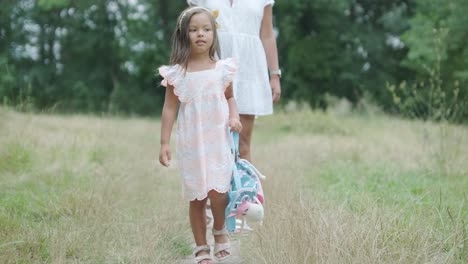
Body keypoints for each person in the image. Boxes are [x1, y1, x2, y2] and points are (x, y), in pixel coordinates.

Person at [158, 6, 242, 264]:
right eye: (193, 30)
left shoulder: (222, 69)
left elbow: (230, 98)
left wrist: (234, 116)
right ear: (184, 35)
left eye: (206, 29)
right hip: (192, 143)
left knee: (219, 194)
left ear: (214, 34)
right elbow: (170, 108)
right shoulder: (177, 74)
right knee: (197, 196)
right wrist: (164, 142)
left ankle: (219, 230)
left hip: (217, 140)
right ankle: (201, 247)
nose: (200, 35)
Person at [187, 0, 282, 162]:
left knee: (243, 144)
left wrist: (274, 75)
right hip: (211, 71)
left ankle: (245, 187)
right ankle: (214, 187)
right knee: (211, 144)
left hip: (248, 72)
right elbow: (189, 33)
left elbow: (267, 35)